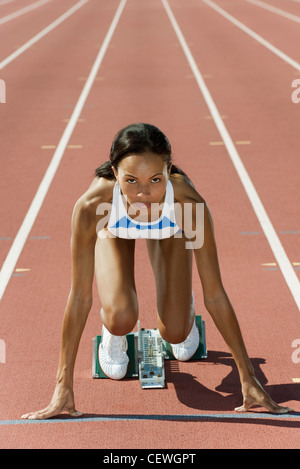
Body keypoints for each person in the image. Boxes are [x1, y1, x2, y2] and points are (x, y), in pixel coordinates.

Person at [21, 123, 292, 419]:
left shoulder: (188, 205)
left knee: (176, 335)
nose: (144, 193)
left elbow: (214, 294)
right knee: (122, 318)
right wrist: (63, 386)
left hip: (170, 231)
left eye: (155, 179)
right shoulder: (93, 206)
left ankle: (180, 303)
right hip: (114, 231)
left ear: (169, 170)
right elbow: (80, 297)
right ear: (114, 172)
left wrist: (248, 376)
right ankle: (113, 330)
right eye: (131, 180)